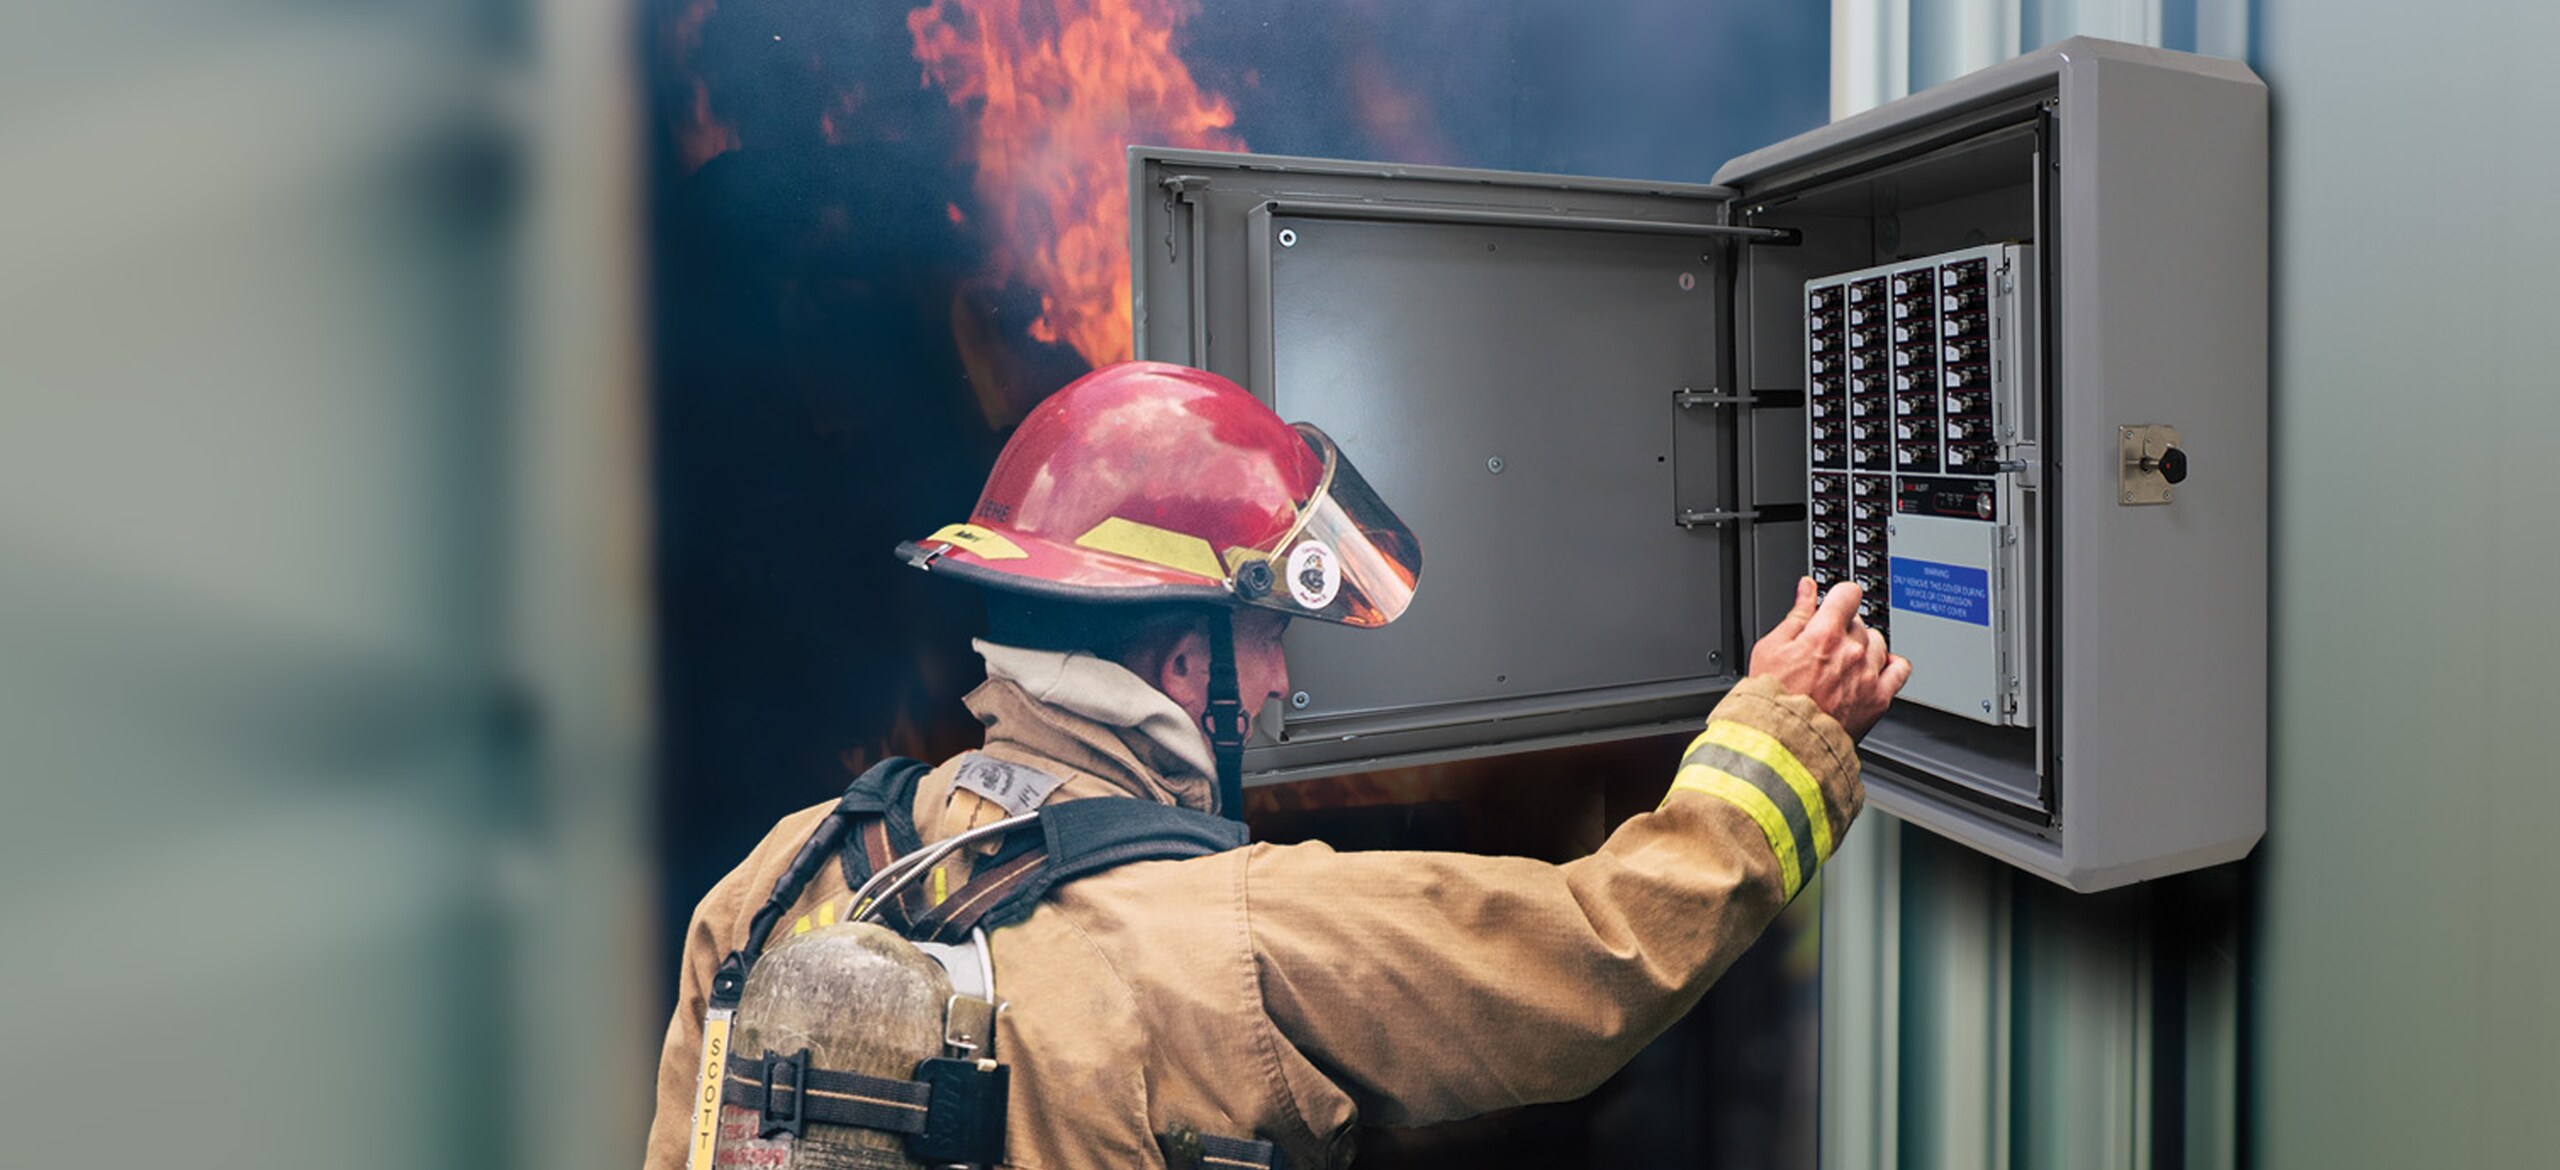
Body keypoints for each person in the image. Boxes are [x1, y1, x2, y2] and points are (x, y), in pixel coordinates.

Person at [644, 361, 1910, 1169]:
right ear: (1181, 666)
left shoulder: (773, 877)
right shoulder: (1228, 937)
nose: (1284, 682)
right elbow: (1602, 949)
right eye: (1267, 641)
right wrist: (1785, 729)